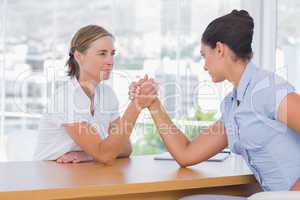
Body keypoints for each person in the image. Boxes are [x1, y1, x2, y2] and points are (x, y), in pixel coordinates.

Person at [130, 9, 300, 199]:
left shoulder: (268, 89)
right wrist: (154, 104)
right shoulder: (232, 107)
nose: (204, 65)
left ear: (220, 49)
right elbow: (186, 154)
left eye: (204, 55)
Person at [33, 25, 157, 164]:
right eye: (102, 53)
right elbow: (105, 155)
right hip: (49, 175)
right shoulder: (67, 98)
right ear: (79, 57)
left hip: (82, 173)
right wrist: (136, 105)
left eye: (112, 54)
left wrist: (89, 155)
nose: (110, 61)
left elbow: (125, 148)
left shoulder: (107, 94)